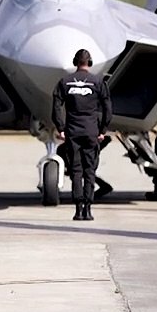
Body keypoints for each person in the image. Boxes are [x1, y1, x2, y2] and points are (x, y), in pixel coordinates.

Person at [51, 48, 111, 221]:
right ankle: (88, 209)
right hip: (91, 133)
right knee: (90, 170)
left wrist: (61, 128)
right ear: (89, 63)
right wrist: (103, 130)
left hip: (73, 132)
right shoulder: (98, 82)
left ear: (75, 62)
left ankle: (78, 209)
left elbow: (56, 106)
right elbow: (107, 108)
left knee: (76, 171)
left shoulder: (65, 82)